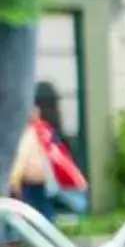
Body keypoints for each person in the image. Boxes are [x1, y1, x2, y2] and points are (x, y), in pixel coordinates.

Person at [10, 82, 87, 220]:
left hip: (33, 182)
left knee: (34, 213)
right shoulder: (45, 132)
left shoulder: (34, 132)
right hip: (40, 182)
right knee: (42, 213)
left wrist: (14, 180)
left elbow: (23, 158)